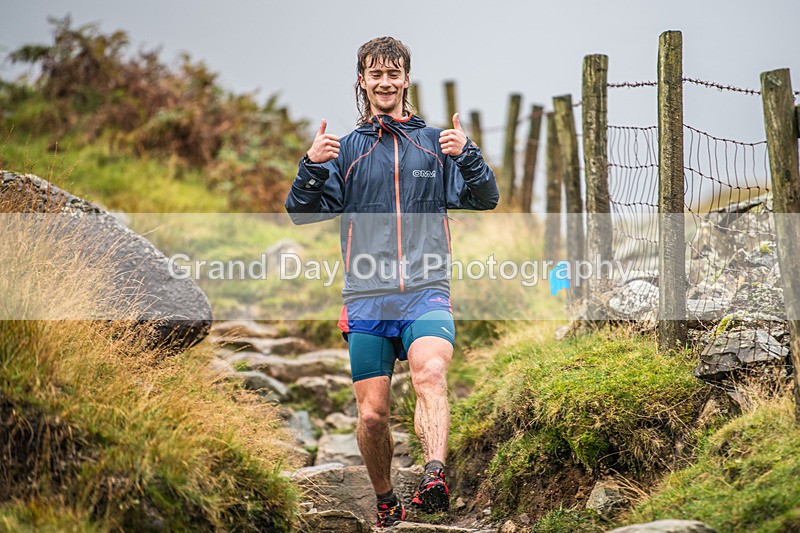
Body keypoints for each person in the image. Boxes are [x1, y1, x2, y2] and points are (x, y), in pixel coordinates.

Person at [285, 36, 498, 528]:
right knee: (373, 416)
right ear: (362, 81)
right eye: (375, 74)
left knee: (430, 375)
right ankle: (385, 497)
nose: (385, 82)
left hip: (427, 288)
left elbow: (485, 198)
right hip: (367, 297)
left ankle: (434, 475)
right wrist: (312, 167)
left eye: (394, 73)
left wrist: (467, 155)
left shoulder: (436, 145)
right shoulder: (348, 150)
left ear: (407, 79)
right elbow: (301, 213)